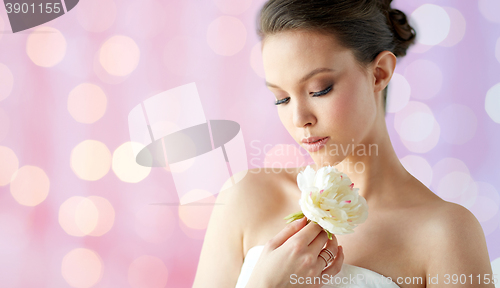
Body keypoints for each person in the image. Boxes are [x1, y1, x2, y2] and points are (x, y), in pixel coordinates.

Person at [193, 0, 495, 287]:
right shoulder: (246, 199)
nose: (299, 118)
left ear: (379, 73)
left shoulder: (446, 234)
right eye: (281, 98)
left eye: (319, 89)